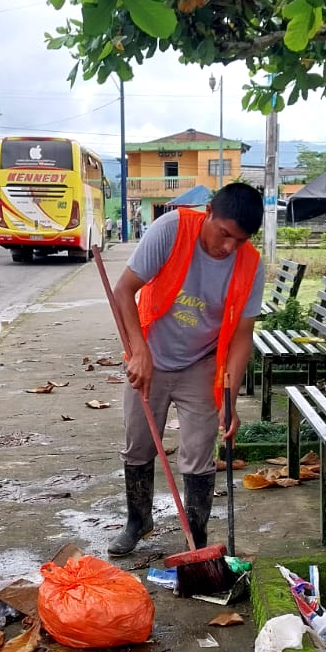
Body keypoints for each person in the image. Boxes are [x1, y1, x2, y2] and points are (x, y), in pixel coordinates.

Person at [107, 183, 266, 556]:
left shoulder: (250, 265)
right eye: (224, 233)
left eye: (240, 240)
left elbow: (242, 336)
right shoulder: (172, 229)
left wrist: (229, 399)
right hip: (150, 355)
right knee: (139, 445)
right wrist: (138, 352)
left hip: (201, 364)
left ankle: (196, 539)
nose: (229, 247)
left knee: (198, 453)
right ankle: (138, 521)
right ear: (208, 212)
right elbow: (123, 291)